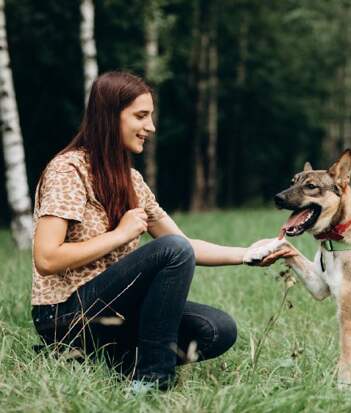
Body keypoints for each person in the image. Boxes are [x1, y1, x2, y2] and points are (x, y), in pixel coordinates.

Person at [31, 71, 295, 392]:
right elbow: (47, 257)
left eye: (151, 117)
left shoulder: (132, 181)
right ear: (108, 116)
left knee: (217, 329)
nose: (151, 127)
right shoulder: (68, 170)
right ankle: (152, 378)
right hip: (64, 314)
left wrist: (248, 254)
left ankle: (111, 360)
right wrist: (120, 234)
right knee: (171, 250)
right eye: (141, 116)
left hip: (116, 312)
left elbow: (184, 244)